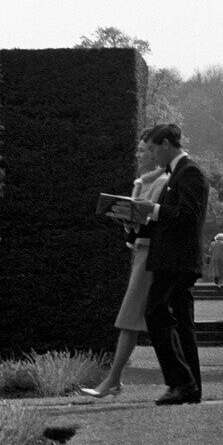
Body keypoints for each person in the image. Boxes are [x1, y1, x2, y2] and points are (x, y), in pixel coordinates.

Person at [80, 128, 168, 399]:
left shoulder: (163, 181)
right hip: (142, 252)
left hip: (151, 255)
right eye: (141, 150)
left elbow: (154, 219)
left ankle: (114, 380)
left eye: (145, 150)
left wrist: (135, 218)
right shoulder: (143, 182)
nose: (141, 154)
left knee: (129, 319)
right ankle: (119, 380)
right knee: (146, 320)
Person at [132, 123, 209, 405]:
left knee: (156, 314)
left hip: (178, 262)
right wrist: (133, 226)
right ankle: (190, 388)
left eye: (153, 149)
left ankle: (181, 382)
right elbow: (167, 223)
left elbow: (187, 218)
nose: (152, 155)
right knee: (182, 325)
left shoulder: (190, 173)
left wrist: (151, 209)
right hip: (172, 260)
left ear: (165, 144)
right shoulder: (177, 174)